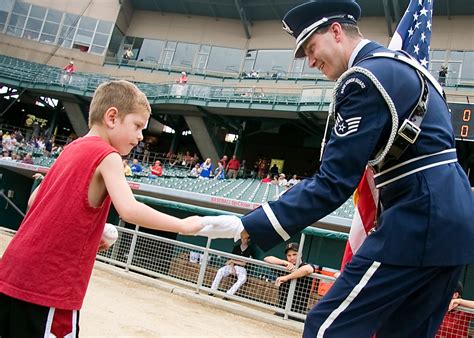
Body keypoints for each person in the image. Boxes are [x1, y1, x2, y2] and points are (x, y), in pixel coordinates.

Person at [199, 1, 474, 337]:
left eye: (311, 48)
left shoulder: (363, 79)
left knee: (326, 328)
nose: (311, 61)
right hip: (457, 225)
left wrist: (251, 224)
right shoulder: (408, 67)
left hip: (418, 220)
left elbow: (334, 181)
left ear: (336, 31)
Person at [0, 80, 203, 337]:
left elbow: (34, 201)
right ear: (112, 117)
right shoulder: (108, 156)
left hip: (11, 273)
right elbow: (129, 210)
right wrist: (183, 225)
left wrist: (88, 235)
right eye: (138, 125)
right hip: (50, 286)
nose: (141, 136)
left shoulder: (70, 149)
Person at [265, 243, 319, 316]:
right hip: (282, 309)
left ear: (300, 254)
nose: (292, 257)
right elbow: (267, 259)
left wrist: (286, 277)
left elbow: (307, 269)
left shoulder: (305, 265)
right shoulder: (285, 266)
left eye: (294, 254)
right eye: (289, 255)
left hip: (298, 312)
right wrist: (285, 262)